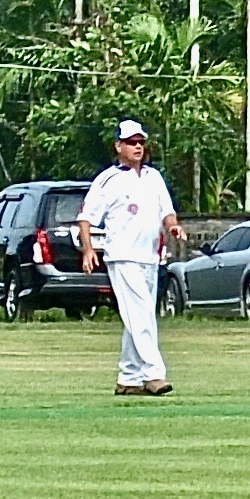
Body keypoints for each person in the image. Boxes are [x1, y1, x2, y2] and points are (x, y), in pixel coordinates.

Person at [77, 120, 184, 397]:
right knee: (142, 315)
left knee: (136, 318)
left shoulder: (153, 177)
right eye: (131, 142)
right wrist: (89, 250)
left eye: (140, 142)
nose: (137, 147)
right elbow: (86, 218)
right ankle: (153, 374)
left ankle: (129, 377)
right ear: (119, 146)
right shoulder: (108, 179)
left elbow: (166, 211)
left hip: (149, 257)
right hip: (122, 256)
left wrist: (173, 226)